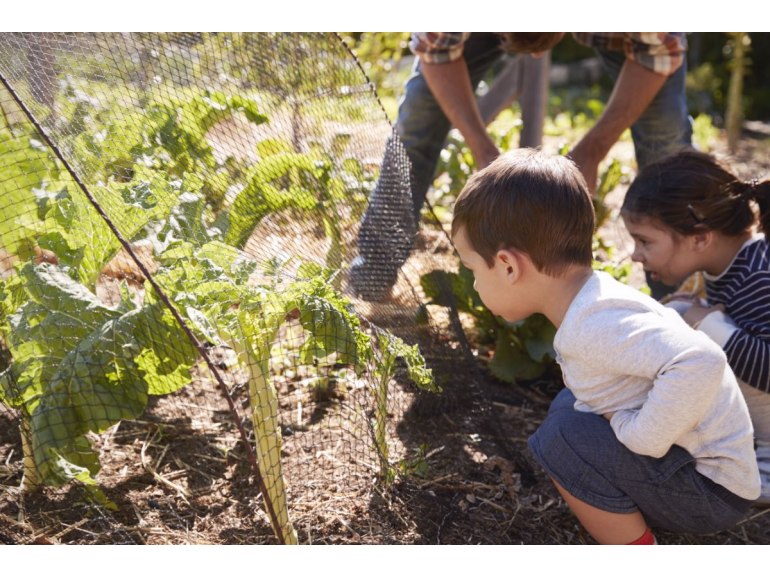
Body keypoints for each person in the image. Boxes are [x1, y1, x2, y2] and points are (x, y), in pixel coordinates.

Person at [452, 148, 760, 544]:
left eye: (473, 270)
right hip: (700, 472)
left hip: (710, 490)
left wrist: (638, 435)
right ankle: (615, 514)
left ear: (509, 267)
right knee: (570, 406)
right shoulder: (591, 300)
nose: (474, 285)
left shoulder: (594, 325)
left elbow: (701, 360)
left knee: (561, 438)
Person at [351, 32, 692, 301]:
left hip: (649, 44)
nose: (536, 58)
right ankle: (374, 274)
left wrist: (592, 150)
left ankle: (680, 294)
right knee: (417, 125)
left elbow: (658, 54)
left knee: (665, 140)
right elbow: (436, 53)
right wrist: (483, 151)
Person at [621, 149, 770, 504]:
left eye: (645, 241)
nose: (635, 255)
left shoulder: (759, 277)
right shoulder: (731, 265)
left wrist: (708, 323)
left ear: (700, 238)